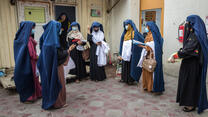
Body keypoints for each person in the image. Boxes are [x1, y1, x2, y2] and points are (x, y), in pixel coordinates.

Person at [169, 15, 208, 113]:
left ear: (192, 23)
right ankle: (189, 102)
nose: (186, 24)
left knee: (190, 84)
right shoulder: (193, 34)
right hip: (188, 63)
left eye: (187, 22)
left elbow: (188, 50)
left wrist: (176, 55)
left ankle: (190, 105)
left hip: (192, 65)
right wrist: (178, 53)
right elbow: (187, 48)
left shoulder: (195, 35)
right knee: (187, 83)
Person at [37, 20, 76, 109]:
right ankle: (58, 103)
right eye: (59, 28)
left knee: (49, 83)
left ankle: (50, 101)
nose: (60, 30)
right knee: (58, 83)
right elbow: (58, 55)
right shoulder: (53, 42)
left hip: (47, 67)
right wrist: (68, 50)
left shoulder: (45, 39)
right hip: (56, 67)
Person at [13, 21, 42, 103]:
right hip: (29, 63)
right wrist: (39, 57)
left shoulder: (19, 38)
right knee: (32, 79)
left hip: (22, 63)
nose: (33, 30)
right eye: (32, 28)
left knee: (31, 79)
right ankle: (30, 97)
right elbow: (32, 55)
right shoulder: (28, 40)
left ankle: (37, 94)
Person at [137, 21, 164, 93]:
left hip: (152, 56)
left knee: (150, 71)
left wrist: (142, 45)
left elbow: (152, 46)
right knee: (146, 70)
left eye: (147, 26)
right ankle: (146, 86)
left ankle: (151, 87)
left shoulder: (153, 36)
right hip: (147, 56)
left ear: (150, 27)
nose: (146, 28)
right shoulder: (148, 35)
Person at [118, 19, 144, 85]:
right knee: (124, 66)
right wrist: (120, 53)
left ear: (130, 25)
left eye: (127, 25)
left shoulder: (134, 33)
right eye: (125, 25)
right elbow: (121, 43)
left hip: (131, 54)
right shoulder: (125, 33)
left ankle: (130, 80)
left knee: (130, 66)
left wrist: (134, 49)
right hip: (125, 53)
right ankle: (124, 78)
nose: (126, 26)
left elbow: (141, 40)